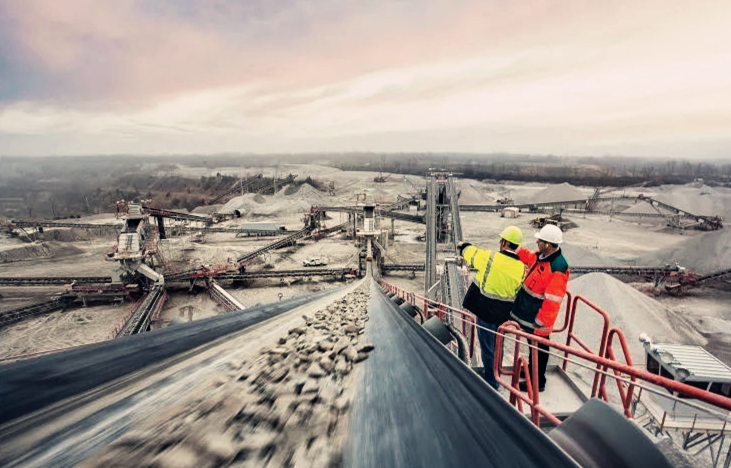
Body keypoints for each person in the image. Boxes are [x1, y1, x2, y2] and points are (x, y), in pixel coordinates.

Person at [457, 226, 526, 390]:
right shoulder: (521, 267)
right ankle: (496, 374)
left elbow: (471, 254)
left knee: (487, 347)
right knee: (498, 344)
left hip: (485, 309)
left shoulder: (491, 257)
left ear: (504, 242)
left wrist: (463, 246)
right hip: (504, 313)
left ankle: (491, 382)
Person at [510, 224, 570, 393]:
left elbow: (553, 300)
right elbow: (530, 257)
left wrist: (541, 321)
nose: (537, 242)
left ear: (548, 244)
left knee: (539, 348)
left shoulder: (558, 267)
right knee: (533, 345)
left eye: (540, 240)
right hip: (532, 313)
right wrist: (516, 248)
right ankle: (531, 370)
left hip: (540, 318)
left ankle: (538, 382)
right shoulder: (543, 257)